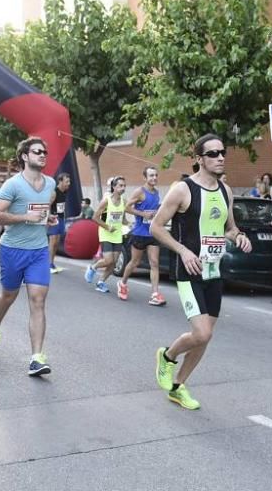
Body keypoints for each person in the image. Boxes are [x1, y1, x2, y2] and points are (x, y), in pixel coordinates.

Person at [151, 134, 251, 410]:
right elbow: (156, 227)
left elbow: (229, 227)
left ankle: (177, 386)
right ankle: (167, 357)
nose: (220, 157)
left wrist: (238, 236)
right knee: (202, 333)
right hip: (188, 270)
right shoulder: (182, 190)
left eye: (223, 152)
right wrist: (182, 250)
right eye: (213, 153)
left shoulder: (225, 191)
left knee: (206, 336)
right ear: (198, 159)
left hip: (213, 270)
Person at [0, 137, 58, 377]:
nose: (43, 155)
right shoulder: (12, 185)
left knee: (38, 300)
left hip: (38, 250)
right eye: (38, 151)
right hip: (13, 249)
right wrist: (24, 218)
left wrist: (47, 219)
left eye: (45, 152)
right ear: (25, 156)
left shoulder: (50, 184)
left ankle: (37, 357)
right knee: (8, 296)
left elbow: (42, 211)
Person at [119, 166, 166, 306]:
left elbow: (153, 209)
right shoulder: (139, 192)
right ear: (145, 178)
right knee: (135, 262)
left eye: (156, 175)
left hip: (152, 232)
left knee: (154, 263)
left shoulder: (157, 192)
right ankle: (122, 282)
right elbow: (126, 207)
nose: (154, 178)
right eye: (151, 176)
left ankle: (155, 294)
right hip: (139, 233)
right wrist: (143, 214)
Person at [84, 176, 127, 294]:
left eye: (124, 186)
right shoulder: (106, 201)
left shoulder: (124, 201)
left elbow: (123, 218)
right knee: (108, 260)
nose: (123, 188)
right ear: (114, 187)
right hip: (105, 232)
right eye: (120, 186)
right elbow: (95, 217)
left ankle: (101, 282)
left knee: (114, 262)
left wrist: (128, 225)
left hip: (117, 234)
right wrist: (108, 227)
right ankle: (92, 267)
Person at [47, 173, 71, 274]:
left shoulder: (65, 191)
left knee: (56, 243)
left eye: (69, 182)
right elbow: (47, 205)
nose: (68, 184)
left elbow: (61, 206)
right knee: (52, 242)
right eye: (66, 182)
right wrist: (48, 217)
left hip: (61, 219)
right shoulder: (54, 192)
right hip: (54, 219)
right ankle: (48, 265)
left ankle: (52, 263)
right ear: (60, 181)